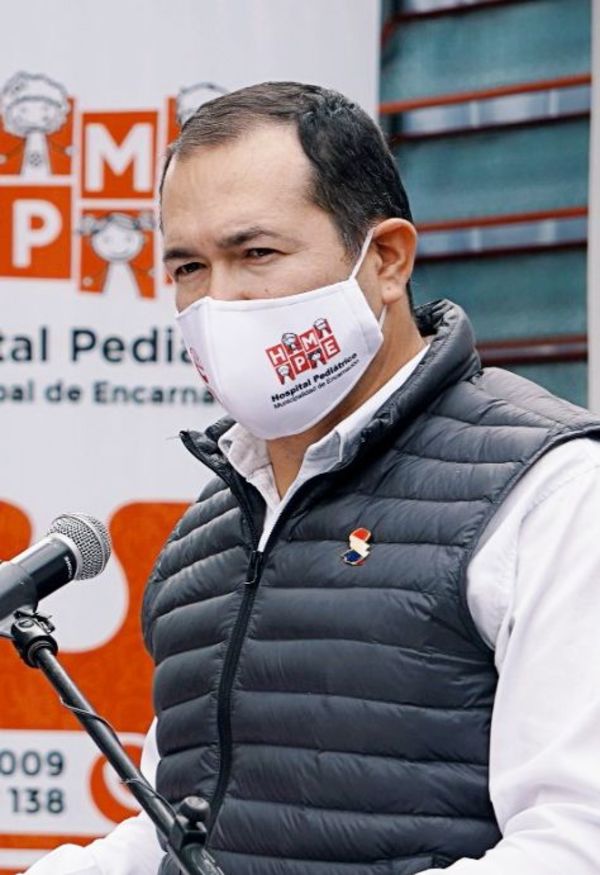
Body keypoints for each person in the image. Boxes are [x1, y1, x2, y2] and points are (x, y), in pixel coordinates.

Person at [26, 82, 600, 875]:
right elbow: (177, 827)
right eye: (188, 266)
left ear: (387, 259)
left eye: (255, 253)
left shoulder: (552, 492)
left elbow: (577, 841)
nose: (218, 300)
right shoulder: (207, 531)